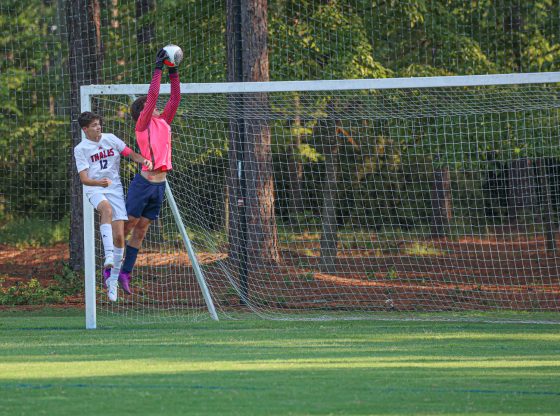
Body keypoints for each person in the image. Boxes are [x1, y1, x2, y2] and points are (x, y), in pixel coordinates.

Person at [118, 48, 181, 294]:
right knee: (128, 226)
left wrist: (173, 70)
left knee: (142, 229)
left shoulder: (164, 120)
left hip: (159, 185)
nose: (156, 105)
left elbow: (174, 99)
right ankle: (112, 264)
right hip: (143, 183)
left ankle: (126, 272)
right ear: (142, 110)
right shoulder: (142, 123)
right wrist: (158, 68)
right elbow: (153, 95)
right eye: (149, 105)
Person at [74, 111, 153, 301]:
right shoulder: (81, 148)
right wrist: (98, 183)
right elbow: (84, 179)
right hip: (96, 188)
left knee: (119, 236)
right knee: (106, 209)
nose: (98, 127)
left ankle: (113, 281)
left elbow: (129, 153)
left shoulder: (110, 139)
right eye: (93, 125)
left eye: (98, 123)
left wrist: (143, 159)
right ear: (85, 129)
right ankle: (108, 256)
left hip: (115, 189)